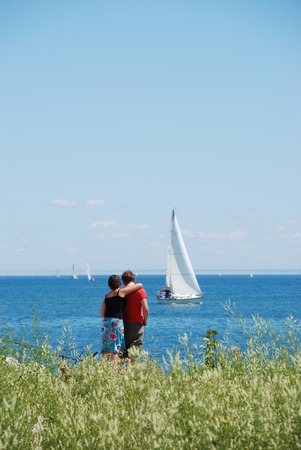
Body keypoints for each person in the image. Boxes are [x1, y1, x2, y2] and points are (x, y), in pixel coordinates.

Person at [100, 274, 143, 361]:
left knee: (106, 348)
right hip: (116, 322)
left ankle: (103, 369)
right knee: (116, 348)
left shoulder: (106, 296)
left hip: (106, 322)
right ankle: (114, 370)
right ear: (119, 283)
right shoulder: (121, 292)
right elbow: (139, 285)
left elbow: (102, 313)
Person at [121, 270, 149, 357]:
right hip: (137, 324)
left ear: (123, 281)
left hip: (123, 324)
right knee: (134, 353)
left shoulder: (122, 292)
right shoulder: (140, 291)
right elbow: (146, 308)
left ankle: (120, 370)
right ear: (133, 279)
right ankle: (130, 369)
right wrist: (145, 320)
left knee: (123, 352)